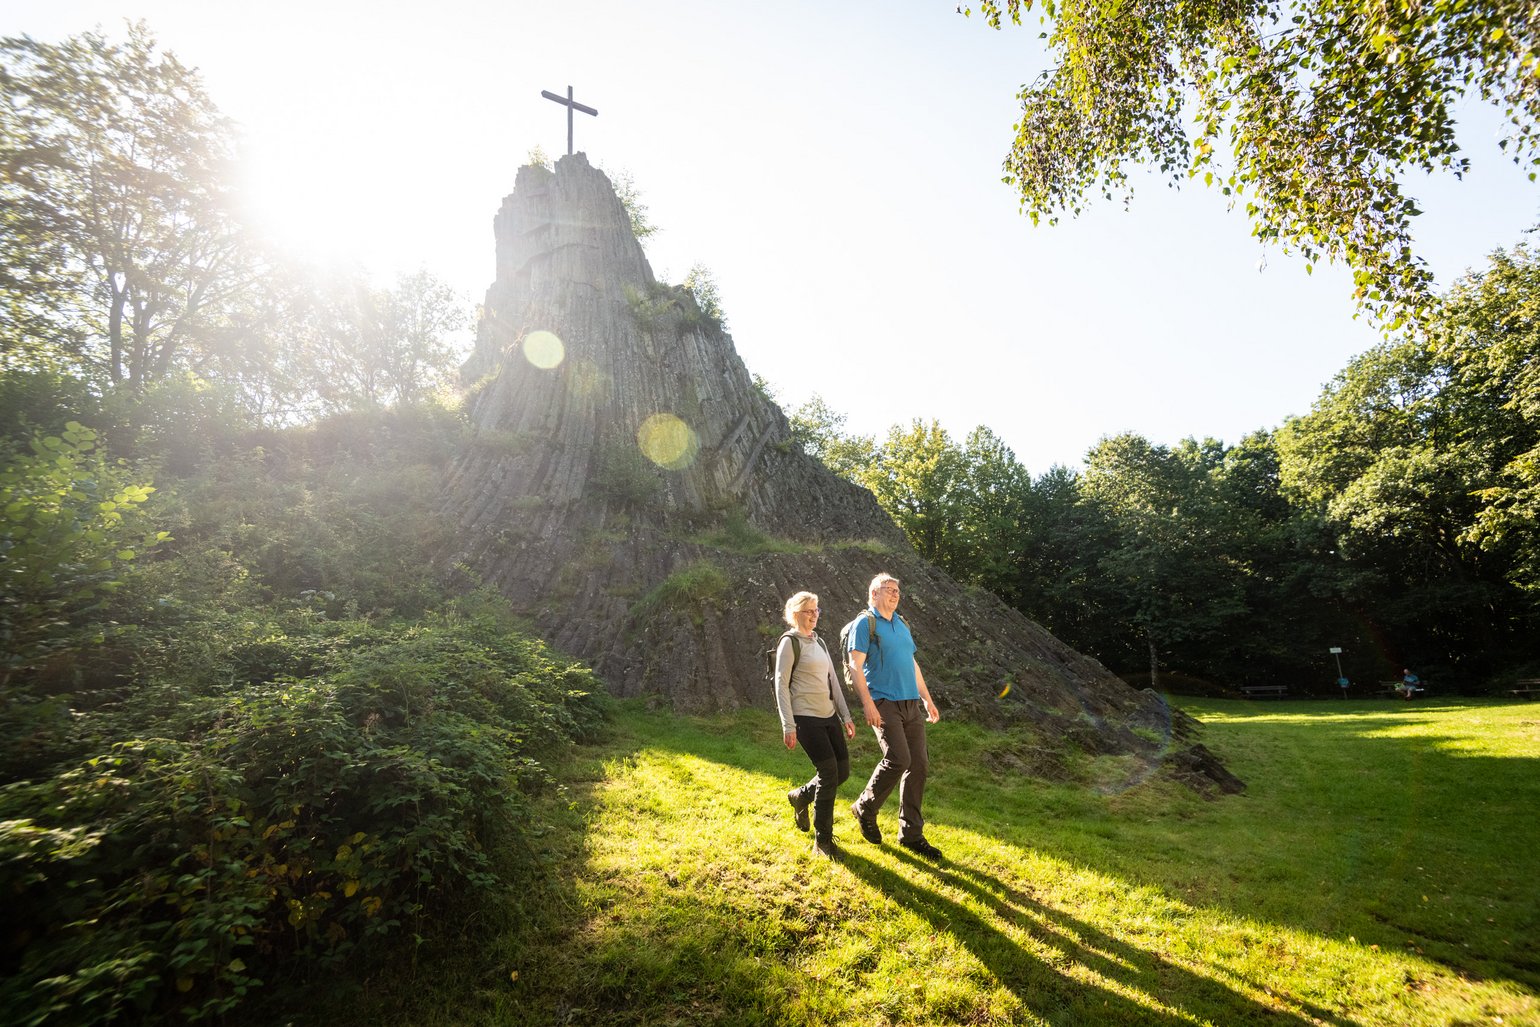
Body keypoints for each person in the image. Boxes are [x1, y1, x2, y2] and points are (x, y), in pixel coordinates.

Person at [845, 573, 943, 860]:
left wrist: (927, 699)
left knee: (919, 765)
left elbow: (912, 664)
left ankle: (911, 835)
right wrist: (868, 704)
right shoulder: (866, 623)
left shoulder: (901, 624)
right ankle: (865, 806)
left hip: (911, 702)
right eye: (888, 589)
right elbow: (855, 665)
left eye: (897, 589)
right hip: (884, 701)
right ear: (873, 594)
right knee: (898, 758)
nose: (895, 593)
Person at [773, 590, 856, 858]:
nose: (815, 615)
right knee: (829, 772)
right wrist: (788, 725)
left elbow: (834, 681)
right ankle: (823, 841)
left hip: (829, 715)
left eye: (817, 610)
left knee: (842, 772)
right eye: (809, 611)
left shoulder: (819, 643)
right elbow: (781, 686)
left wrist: (846, 717)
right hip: (805, 718)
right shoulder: (789, 642)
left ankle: (801, 796)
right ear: (796, 614)